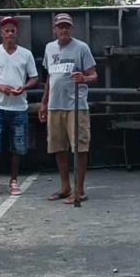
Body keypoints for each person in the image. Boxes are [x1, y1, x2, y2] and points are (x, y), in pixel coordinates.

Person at [39, 13, 97, 204]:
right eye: (60, 27)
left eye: (67, 27)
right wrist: (44, 102)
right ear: (55, 29)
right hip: (55, 105)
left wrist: (84, 79)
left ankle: (79, 190)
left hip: (76, 106)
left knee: (79, 148)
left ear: (71, 29)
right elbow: (49, 77)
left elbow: (93, 75)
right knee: (58, 147)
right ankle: (65, 187)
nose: (63, 30)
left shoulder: (81, 48)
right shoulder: (49, 48)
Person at [0, 16, 38, 196]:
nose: (10, 33)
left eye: (12, 30)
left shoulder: (25, 54)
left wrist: (24, 87)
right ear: (1, 33)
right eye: (6, 30)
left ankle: (14, 180)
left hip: (19, 106)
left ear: (16, 33)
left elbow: (34, 78)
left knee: (18, 145)